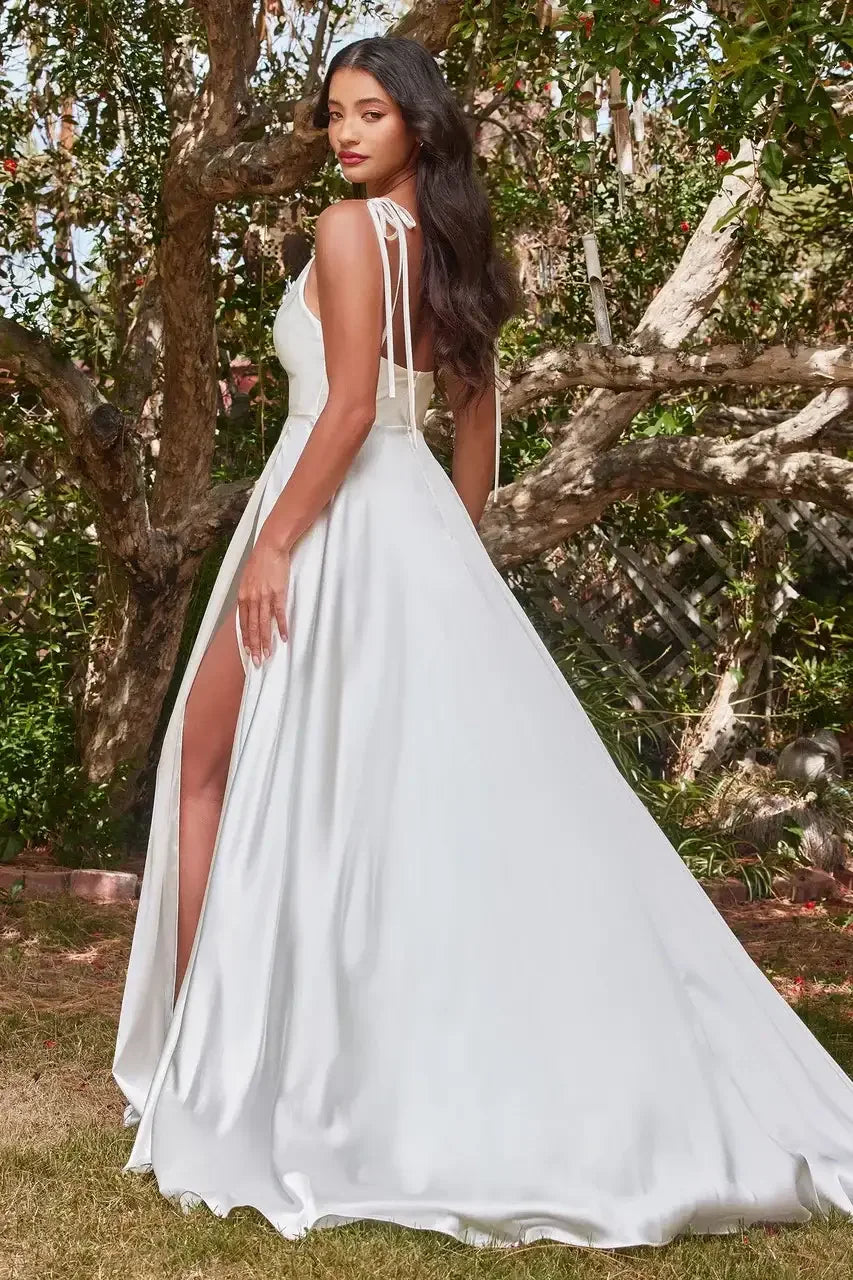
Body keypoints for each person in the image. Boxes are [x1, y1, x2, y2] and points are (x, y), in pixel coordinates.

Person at [113, 34, 853, 1251]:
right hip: (405, 533)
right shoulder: (451, 249)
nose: (344, 134)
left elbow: (347, 409)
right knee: (367, 802)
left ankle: (205, 1062)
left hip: (327, 518)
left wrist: (275, 546)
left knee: (207, 769)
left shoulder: (349, 234)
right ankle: (249, 1045)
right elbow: (476, 420)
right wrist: (444, 557)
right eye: (333, 114)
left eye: (368, 113)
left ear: (416, 121)